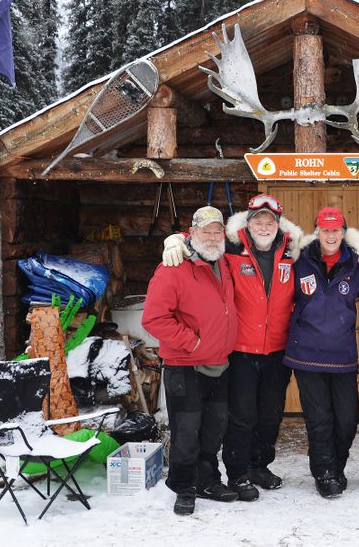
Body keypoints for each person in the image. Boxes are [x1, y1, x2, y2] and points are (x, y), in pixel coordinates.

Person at [161, 194, 303, 501]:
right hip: (240, 350)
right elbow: (202, 241)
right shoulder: (231, 248)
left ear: (278, 225)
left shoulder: (293, 250)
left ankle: (259, 466)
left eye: (269, 221)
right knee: (241, 416)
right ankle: (238, 473)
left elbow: (332, 246)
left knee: (270, 415)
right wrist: (176, 239)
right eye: (258, 221)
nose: (264, 226)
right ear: (248, 223)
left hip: (277, 351)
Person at [142, 206, 239, 516]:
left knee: (214, 427)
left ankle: (208, 478)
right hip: (185, 365)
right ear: (193, 233)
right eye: (205, 231)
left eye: (217, 231)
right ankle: (183, 485)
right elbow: (154, 318)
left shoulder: (221, 261)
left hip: (219, 361)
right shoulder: (173, 267)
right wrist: (192, 342)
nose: (212, 237)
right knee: (186, 430)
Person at [283, 207, 359, 499]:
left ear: (344, 232)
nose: (330, 235)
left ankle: (337, 467)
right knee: (319, 418)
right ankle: (324, 472)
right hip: (306, 353)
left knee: (347, 417)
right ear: (316, 232)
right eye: (325, 230)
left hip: (342, 355)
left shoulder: (357, 264)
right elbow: (250, 239)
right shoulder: (299, 260)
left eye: (336, 230)